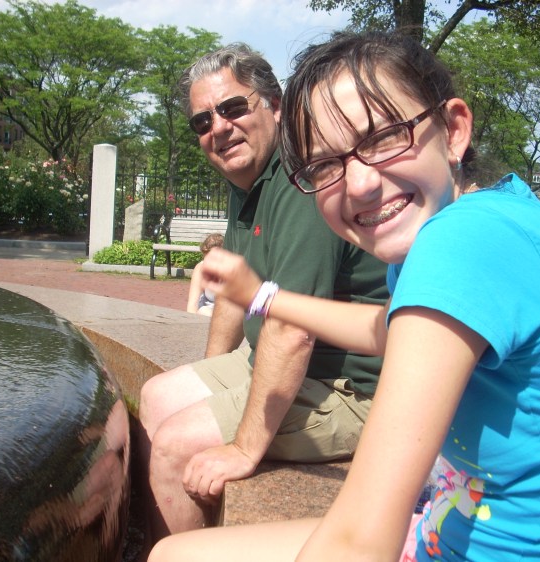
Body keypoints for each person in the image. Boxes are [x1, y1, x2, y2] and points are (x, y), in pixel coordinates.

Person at [149, 31, 540, 561]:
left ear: (454, 129)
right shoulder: (487, 216)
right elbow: (389, 329)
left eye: (383, 137)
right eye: (325, 165)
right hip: (465, 525)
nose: (360, 183)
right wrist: (263, 297)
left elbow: (359, 543)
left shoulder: (458, 244)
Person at [135, 42, 389, 548]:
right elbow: (233, 290)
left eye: (232, 108)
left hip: (349, 389)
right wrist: (215, 377)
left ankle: (177, 553)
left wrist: (245, 449)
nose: (219, 128)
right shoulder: (246, 176)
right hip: (286, 363)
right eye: (202, 122)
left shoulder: (300, 179)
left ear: (273, 105)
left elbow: (291, 329)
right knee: (155, 396)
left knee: (174, 447)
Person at [186, 233, 225, 316]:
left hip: (226, 313)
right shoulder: (201, 268)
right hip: (207, 311)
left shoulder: (231, 270)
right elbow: (192, 305)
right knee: (203, 311)